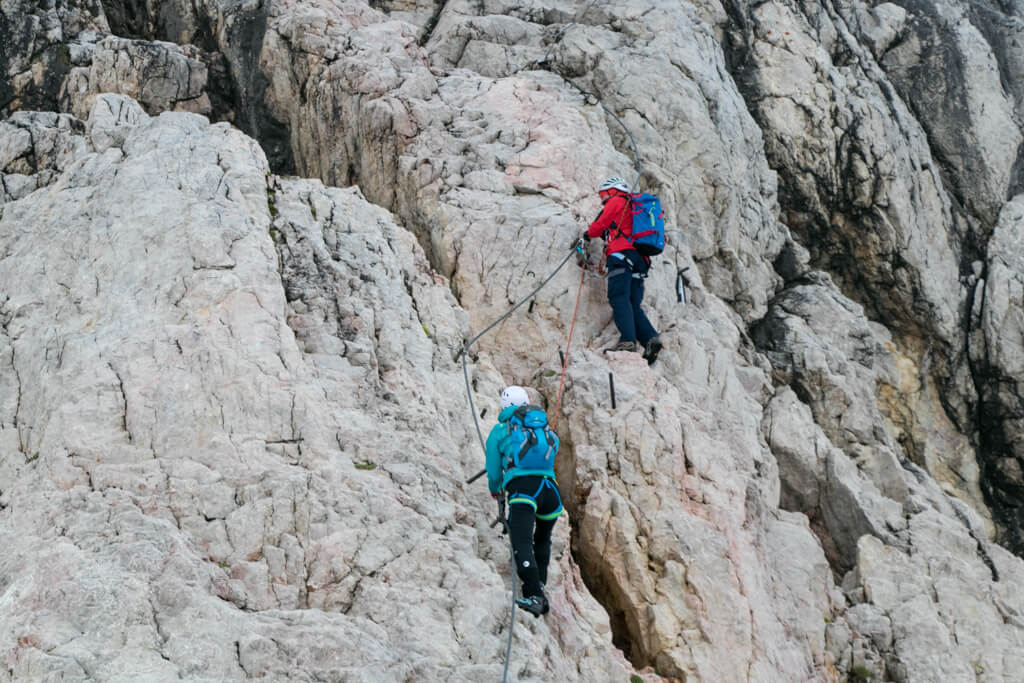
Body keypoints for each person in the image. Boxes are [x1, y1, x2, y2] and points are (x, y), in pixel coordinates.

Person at [485, 385, 563, 617]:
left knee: (521, 541)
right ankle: (539, 583)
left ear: (504, 406)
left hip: (524, 491)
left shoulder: (501, 430)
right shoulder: (543, 428)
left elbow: (493, 470)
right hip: (550, 490)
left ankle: (534, 595)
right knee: (543, 538)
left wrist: (496, 490)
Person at [584, 176, 662, 364]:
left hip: (621, 256)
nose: (603, 199)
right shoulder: (633, 206)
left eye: (604, 194)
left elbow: (599, 226)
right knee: (632, 303)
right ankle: (650, 338)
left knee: (618, 297)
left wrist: (587, 234)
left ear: (613, 190)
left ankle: (627, 341)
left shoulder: (617, 201)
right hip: (640, 259)